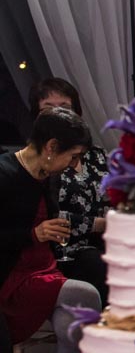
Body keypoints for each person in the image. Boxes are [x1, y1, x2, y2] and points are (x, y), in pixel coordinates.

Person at [0, 107, 102, 353]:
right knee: (85, 294)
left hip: (41, 267)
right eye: (72, 156)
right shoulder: (4, 173)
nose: (74, 165)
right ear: (50, 147)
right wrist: (34, 233)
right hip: (11, 276)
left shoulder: (46, 176)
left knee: (71, 318)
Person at [29, 78, 110, 304]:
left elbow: (110, 197)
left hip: (106, 240)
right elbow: (47, 217)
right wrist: (98, 224)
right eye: (48, 109)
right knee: (95, 262)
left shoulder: (96, 155)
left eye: (64, 108)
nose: (58, 115)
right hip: (65, 248)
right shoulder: (38, 161)